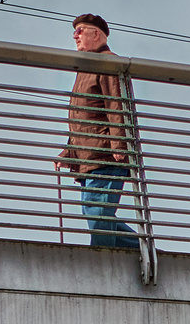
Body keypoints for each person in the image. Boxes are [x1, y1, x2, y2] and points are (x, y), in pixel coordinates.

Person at [58, 13, 139, 249]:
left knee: (98, 215)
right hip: (91, 157)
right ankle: (145, 250)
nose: (75, 35)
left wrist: (120, 146)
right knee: (96, 214)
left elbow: (117, 105)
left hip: (105, 156)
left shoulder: (107, 63)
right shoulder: (86, 67)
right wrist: (69, 152)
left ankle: (105, 265)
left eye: (81, 30)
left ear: (97, 34)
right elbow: (85, 117)